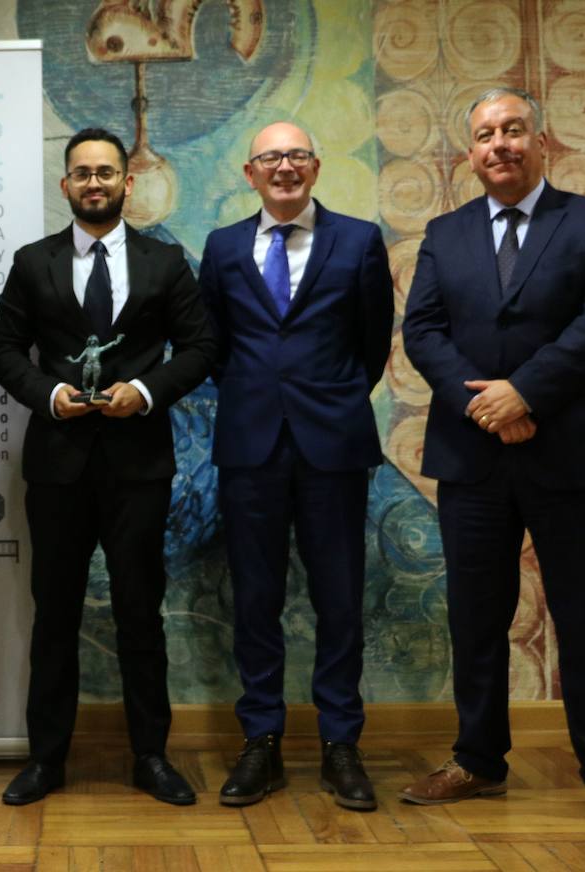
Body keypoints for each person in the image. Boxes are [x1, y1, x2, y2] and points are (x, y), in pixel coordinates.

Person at [399, 87, 585, 837]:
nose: (499, 145)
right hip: (473, 455)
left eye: (513, 130)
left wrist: (526, 394)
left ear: (539, 141)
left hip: (572, 449)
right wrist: (484, 403)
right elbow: (423, 331)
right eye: (485, 135)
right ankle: (477, 759)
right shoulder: (445, 234)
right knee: (475, 619)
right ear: (470, 153)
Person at [0, 128, 215, 806]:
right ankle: (47, 760)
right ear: (65, 185)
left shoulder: (165, 262)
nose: (94, 183)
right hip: (57, 466)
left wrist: (144, 392)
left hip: (139, 465)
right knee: (53, 614)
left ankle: (151, 757)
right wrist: (48, 396)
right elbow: (2, 348)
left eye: (106, 172)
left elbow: (201, 346)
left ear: (126, 183)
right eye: (82, 173)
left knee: (139, 613)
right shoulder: (34, 262)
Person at [198, 122, 393, 811]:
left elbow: (372, 347)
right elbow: (213, 346)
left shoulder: (360, 241)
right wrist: (262, 397)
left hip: (333, 446)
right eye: (271, 157)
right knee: (256, 599)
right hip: (250, 446)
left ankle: (341, 744)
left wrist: (326, 399)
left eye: (297, 155)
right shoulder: (222, 248)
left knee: (340, 598)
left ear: (315, 166)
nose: (285, 166)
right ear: (250, 173)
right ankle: (263, 744)